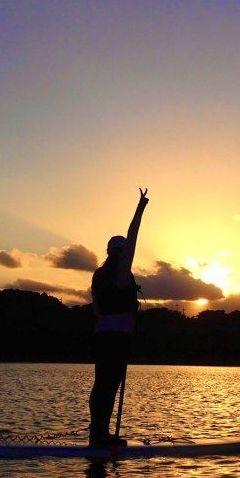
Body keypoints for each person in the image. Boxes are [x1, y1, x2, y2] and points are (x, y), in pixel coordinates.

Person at [89, 188, 149, 447]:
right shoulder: (121, 273)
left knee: (101, 382)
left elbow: (97, 309)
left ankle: (98, 430)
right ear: (120, 253)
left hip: (102, 334)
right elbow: (134, 236)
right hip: (118, 336)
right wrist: (140, 207)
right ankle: (101, 433)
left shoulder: (98, 275)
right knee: (110, 384)